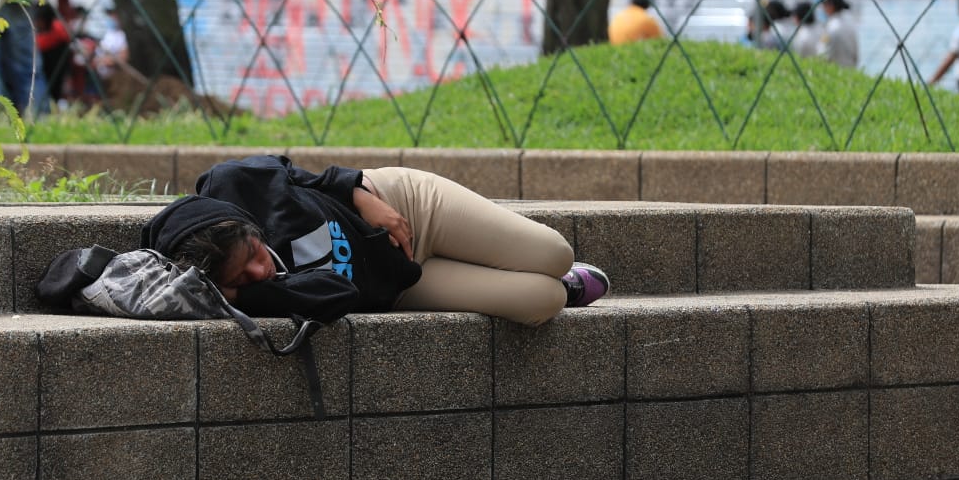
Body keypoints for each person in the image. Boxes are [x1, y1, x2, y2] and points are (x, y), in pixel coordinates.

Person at [142, 156, 611, 327]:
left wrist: (358, 191)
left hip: (405, 205)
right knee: (544, 298)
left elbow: (297, 172)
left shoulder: (233, 184)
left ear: (246, 227)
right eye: (241, 280)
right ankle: (565, 287)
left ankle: (560, 269)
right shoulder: (249, 295)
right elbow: (336, 295)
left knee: (554, 253)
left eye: (252, 256)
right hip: (403, 285)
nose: (260, 271)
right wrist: (246, 293)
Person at [817, 0, 858, 69]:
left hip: (834, 73)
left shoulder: (830, 28)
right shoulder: (850, 25)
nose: (823, 9)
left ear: (831, 6)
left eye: (824, 5)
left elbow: (823, 55)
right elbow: (855, 54)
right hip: (851, 71)